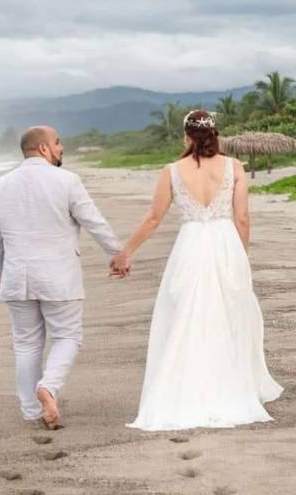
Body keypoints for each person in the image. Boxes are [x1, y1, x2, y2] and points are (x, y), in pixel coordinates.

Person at [112, 110, 283, 431]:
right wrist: (241, 255)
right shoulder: (234, 167)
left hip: (190, 246)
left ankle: (186, 387)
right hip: (225, 243)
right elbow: (242, 217)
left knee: (186, 315)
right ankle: (229, 385)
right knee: (229, 315)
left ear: (187, 136)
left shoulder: (172, 171)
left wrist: (126, 252)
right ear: (215, 134)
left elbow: (153, 218)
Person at [0, 125, 126, 429]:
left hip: (16, 276)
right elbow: (94, 222)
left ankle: (31, 411)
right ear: (43, 148)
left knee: (26, 345)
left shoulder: (0, 185)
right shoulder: (67, 181)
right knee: (67, 336)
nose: (62, 147)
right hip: (58, 276)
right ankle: (48, 386)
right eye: (58, 142)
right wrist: (118, 254)